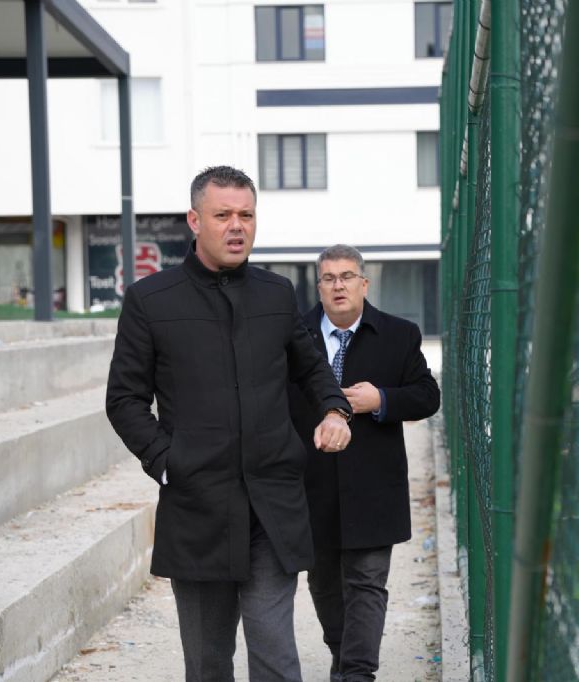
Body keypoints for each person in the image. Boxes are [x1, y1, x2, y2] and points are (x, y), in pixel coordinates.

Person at [105, 166, 353, 682]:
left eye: (247, 215)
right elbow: (124, 399)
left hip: (272, 505)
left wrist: (335, 410)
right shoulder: (150, 300)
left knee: (276, 657)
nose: (237, 226)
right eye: (223, 215)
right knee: (208, 664)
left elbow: (311, 369)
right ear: (195, 220)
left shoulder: (277, 294)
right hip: (198, 507)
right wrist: (168, 463)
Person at [289, 244, 441, 682]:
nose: (338, 286)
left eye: (347, 277)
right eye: (329, 278)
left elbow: (427, 396)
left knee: (367, 583)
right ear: (319, 287)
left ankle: (357, 673)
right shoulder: (293, 337)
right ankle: (343, 657)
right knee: (323, 584)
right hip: (311, 483)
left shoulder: (398, 334)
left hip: (374, 485)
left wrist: (382, 400)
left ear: (364, 283)